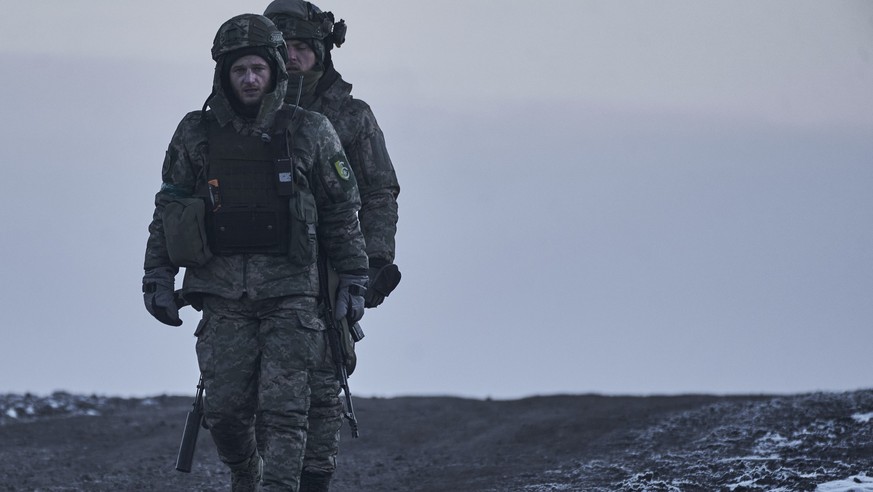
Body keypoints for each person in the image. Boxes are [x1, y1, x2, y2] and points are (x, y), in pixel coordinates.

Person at [142, 13, 369, 491]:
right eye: (239, 69)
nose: (248, 78)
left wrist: (352, 279)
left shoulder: (311, 130)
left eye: (257, 69)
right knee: (223, 412)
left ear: (274, 73)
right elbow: (170, 208)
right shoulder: (195, 133)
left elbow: (340, 210)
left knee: (284, 414)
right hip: (222, 296)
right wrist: (158, 276)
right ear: (224, 73)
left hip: (293, 296)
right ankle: (247, 475)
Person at [261, 2, 402, 490]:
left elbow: (379, 191)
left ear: (322, 51)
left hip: (329, 272)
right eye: (285, 48)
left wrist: (376, 259)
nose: (294, 58)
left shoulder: (351, 116)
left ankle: (313, 478)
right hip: (258, 274)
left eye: (303, 47)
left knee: (323, 384)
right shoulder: (245, 111)